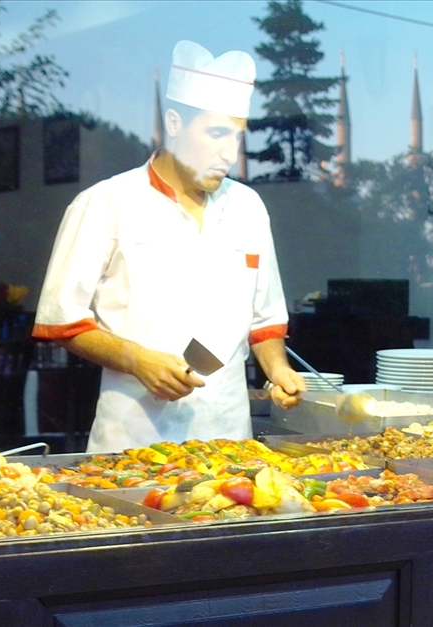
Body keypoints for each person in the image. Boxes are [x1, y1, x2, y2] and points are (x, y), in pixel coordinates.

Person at [32, 40, 305, 452]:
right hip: (134, 438)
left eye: (236, 137)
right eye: (216, 133)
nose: (228, 152)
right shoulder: (106, 202)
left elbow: (264, 321)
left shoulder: (248, 207)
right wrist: (137, 360)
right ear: (175, 122)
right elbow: (61, 320)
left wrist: (278, 368)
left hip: (228, 437)